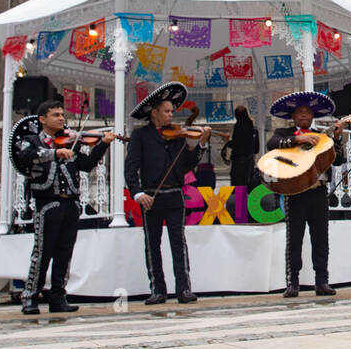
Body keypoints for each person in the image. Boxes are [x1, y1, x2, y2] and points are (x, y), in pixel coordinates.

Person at [12, 100, 117, 314]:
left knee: (64, 251)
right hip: (47, 202)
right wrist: (54, 153)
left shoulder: (71, 142)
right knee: (42, 251)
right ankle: (30, 297)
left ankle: (58, 296)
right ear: (42, 119)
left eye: (62, 114)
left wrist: (103, 144)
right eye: (56, 115)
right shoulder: (30, 140)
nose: (61, 118)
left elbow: (86, 166)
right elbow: (25, 156)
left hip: (70, 202)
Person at [126, 82, 208, 305]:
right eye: (167, 111)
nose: (171, 115)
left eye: (172, 111)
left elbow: (187, 165)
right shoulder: (140, 136)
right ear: (154, 113)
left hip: (174, 195)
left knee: (178, 242)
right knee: (152, 243)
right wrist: (138, 193)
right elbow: (130, 168)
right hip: (150, 197)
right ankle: (158, 289)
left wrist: (200, 144)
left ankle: (184, 288)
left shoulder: (179, 136)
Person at [267, 91, 347, 297]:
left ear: (313, 116)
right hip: (295, 193)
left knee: (320, 239)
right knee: (294, 239)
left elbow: (339, 160)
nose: (303, 115)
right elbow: (271, 145)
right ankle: (292, 282)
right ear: (293, 116)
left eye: (307, 112)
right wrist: (298, 139)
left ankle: (322, 281)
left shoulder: (322, 137)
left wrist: (337, 137)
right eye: (299, 112)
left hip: (318, 192)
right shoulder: (282, 134)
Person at [222, 105, 260, 188]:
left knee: (239, 187)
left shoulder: (239, 126)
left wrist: (227, 142)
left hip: (239, 163)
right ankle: (246, 201)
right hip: (250, 163)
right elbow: (256, 149)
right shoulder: (254, 129)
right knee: (248, 186)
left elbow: (237, 144)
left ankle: (240, 201)